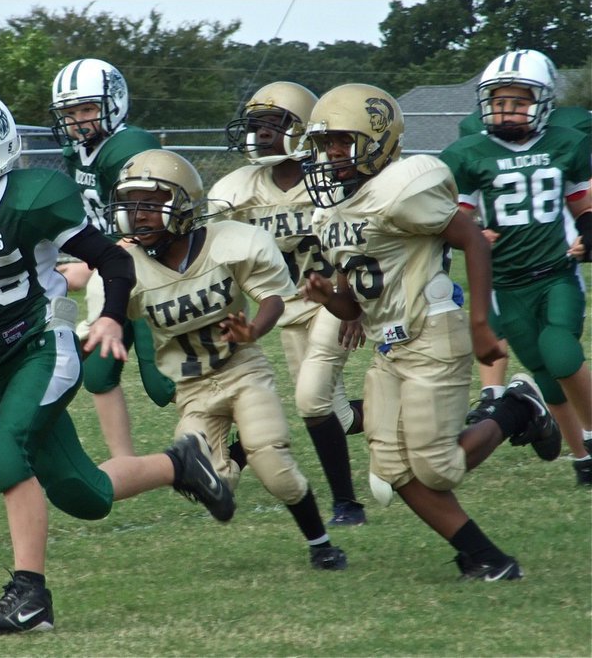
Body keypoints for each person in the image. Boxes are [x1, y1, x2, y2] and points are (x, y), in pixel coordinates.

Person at [0, 86, 235, 634]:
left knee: (6, 451)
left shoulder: (35, 196)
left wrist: (113, 317)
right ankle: (183, 463)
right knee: (84, 495)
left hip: (45, 345)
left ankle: (29, 598)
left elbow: (115, 263)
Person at [302, 82, 563, 580]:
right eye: (324, 143)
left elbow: (472, 241)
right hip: (387, 348)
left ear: (379, 140)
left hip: (430, 334)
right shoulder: (329, 211)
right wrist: (325, 296)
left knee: (436, 468)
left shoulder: (401, 189)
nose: (331, 154)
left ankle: (514, 408)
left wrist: (481, 322)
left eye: (342, 141)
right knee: (394, 471)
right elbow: (353, 300)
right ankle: (488, 560)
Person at [105, 149, 348, 570]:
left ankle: (321, 542)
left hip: (242, 370)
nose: (138, 215)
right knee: (215, 487)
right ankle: (240, 453)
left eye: (150, 203)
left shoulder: (228, 242)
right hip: (191, 387)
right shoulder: (125, 266)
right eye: (131, 204)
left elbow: (273, 296)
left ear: (182, 204)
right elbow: (107, 314)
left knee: (274, 465)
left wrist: (253, 330)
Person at [210, 81, 366, 526]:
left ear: (300, 129)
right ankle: (393, 410)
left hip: (329, 303)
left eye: (271, 126)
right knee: (328, 408)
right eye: (255, 126)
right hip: (289, 311)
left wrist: (347, 299)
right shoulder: (236, 189)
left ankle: (346, 504)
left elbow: (351, 239)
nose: (259, 135)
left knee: (311, 400)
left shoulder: (328, 177)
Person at [440, 50, 592, 487]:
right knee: (544, 376)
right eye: (499, 100)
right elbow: (458, 215)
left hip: (555, 272)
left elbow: (581, 202)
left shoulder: (565, 142)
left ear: (543, 102)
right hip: (505, 284)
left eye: (518, 101)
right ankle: (582, 459)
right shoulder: (468, 152)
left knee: (561, 352)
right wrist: (471, 233)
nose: (506, 110)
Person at [48, 58, 175, 457]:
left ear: (112, 103)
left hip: (154, 270)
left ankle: (244, 429)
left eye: (86, 109)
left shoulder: (128, 147)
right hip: (115, 270)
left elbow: (147, 222)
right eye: (69, 113)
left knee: (163, 384)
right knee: (99, 373)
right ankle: (125, 461)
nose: (77, 121)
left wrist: (92, 266)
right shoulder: (78, 152)